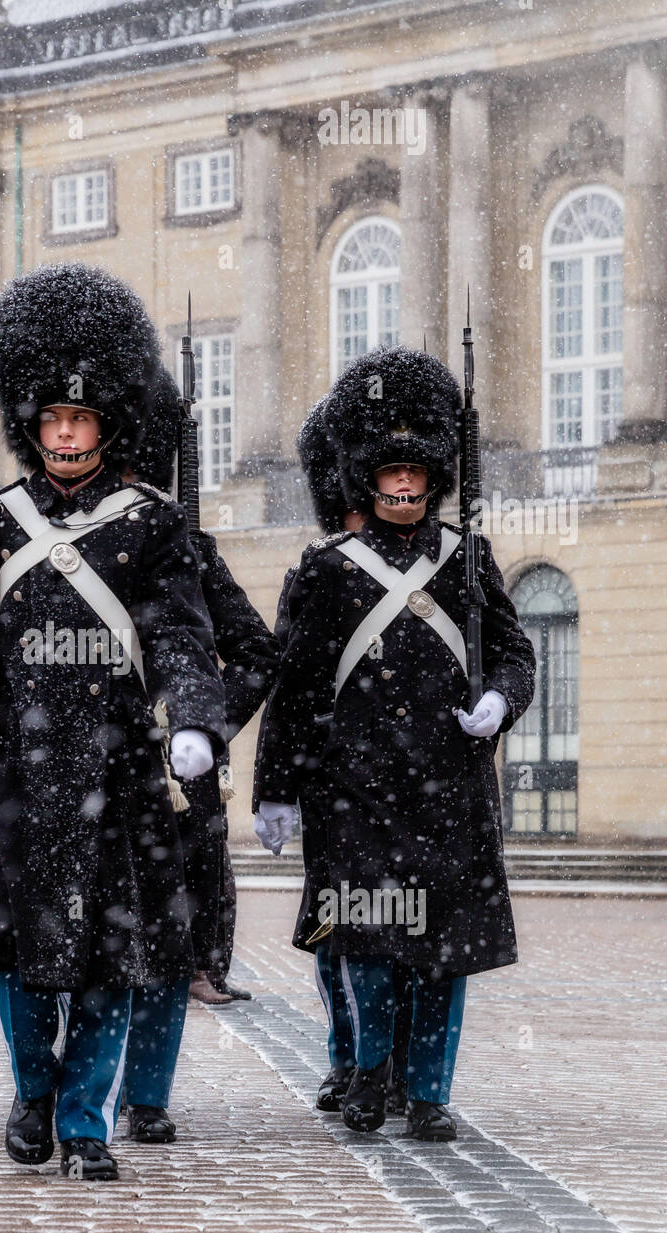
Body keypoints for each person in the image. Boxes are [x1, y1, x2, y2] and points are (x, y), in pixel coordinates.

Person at [0, 262, 227, 1180]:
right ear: (32, 425)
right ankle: (32, 1092)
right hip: (22, 771)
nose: (64, 434)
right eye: (51, 419)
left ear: (106, 427)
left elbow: (181, 629)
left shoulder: (152, 524)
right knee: (23, 961)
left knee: (107, 960)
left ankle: (87, 1121)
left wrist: (194, 721)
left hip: (119, 768)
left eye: (81, 420)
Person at [253, 347, 535, 1140]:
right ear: (367, 480)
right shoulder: (327, 569)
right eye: (390, 473)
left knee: (440, 956)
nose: (404, 485)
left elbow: (515, 655)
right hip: (358, 792)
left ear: (435, 475)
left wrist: (498, 701)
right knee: (368, 948)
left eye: (416, 471)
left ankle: (429, 1089)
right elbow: (297, 689)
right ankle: (369, 1074)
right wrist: (276, 789)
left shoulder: (469, 559)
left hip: (448, 786)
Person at [114, 364, 280, 1143]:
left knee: (167, 945)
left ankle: (145, 1095)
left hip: (176, 786)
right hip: (87, 770)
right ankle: (77, 1094)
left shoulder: (190, 549)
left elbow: (255, 653)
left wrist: (201, 724)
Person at [288, 393, 412, 1119]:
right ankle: (353, 1057)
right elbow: (295, 676)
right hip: (339, 782)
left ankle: (387, 1061)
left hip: (401, 779)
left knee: (403, 933)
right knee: (342, 931)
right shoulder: (322, 567)